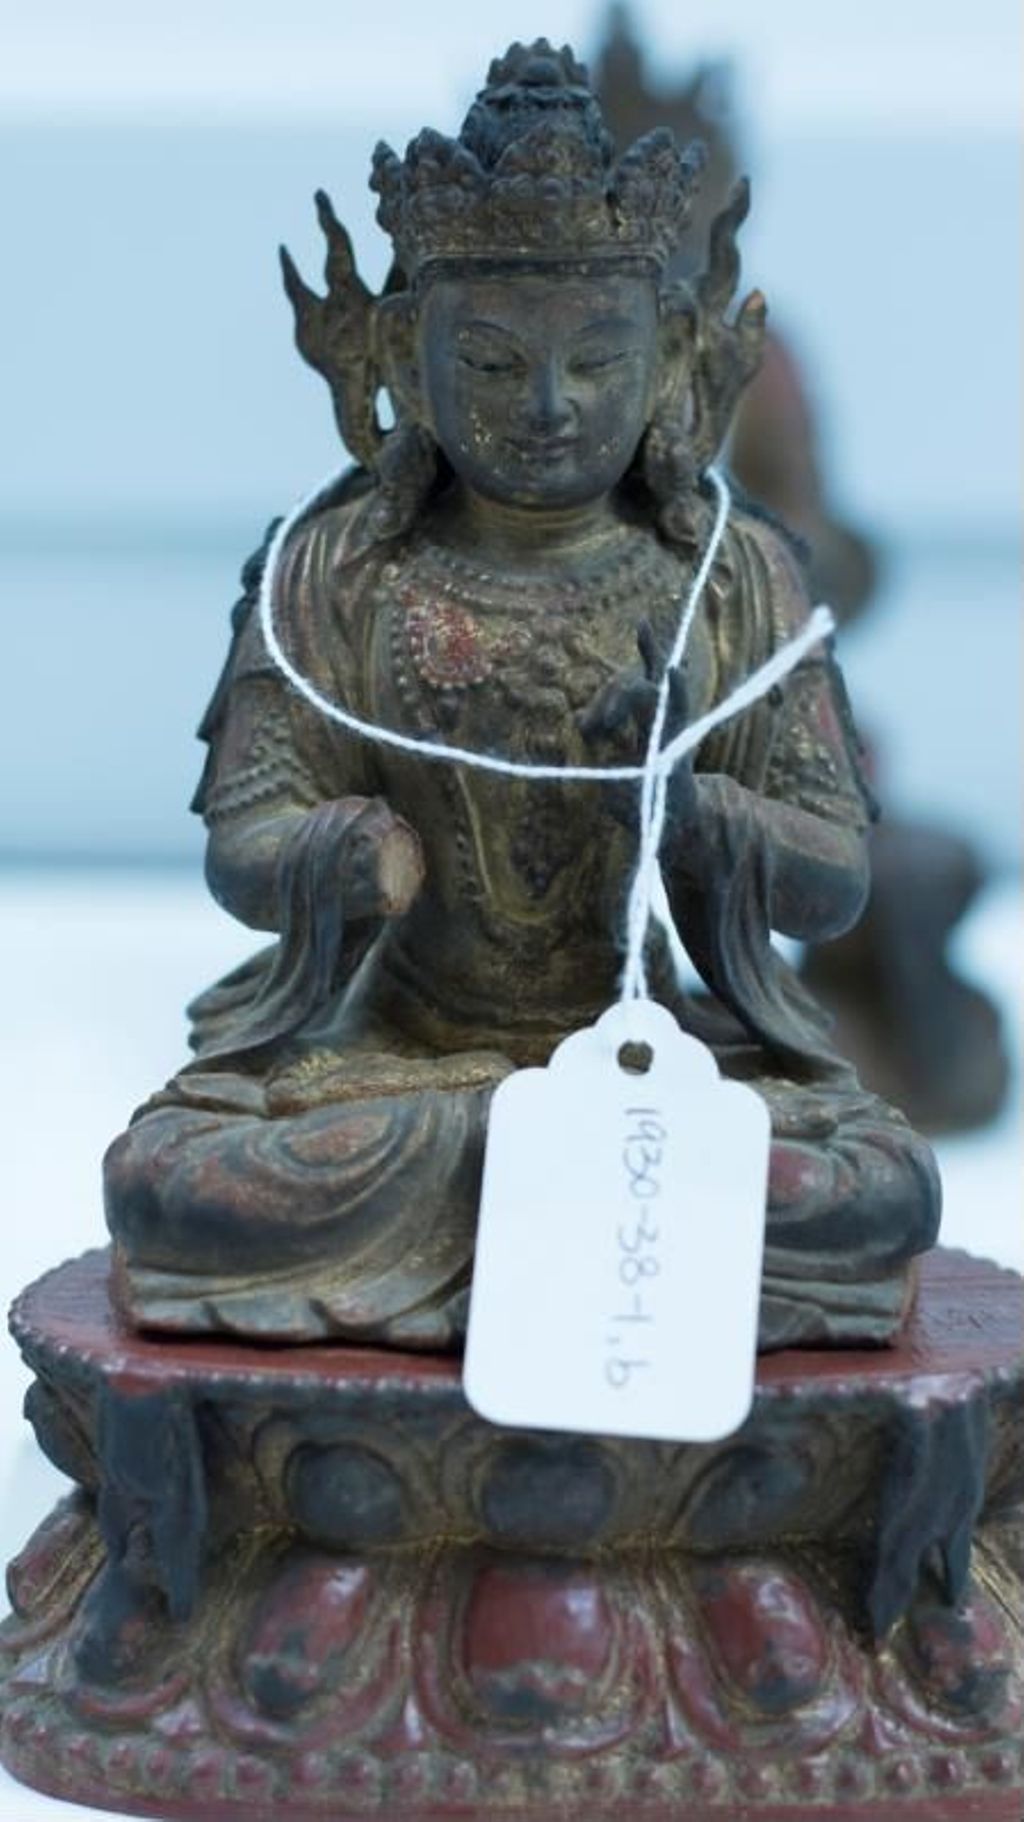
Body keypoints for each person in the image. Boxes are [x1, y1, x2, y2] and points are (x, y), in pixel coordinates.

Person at [104, 41, 939, 1351]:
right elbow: (244, 844)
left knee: (872, 1188)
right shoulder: (330, 567)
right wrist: (340, 849)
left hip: (651, 1056)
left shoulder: (735, 574)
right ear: (401, 348)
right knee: (177, 1184)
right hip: (399, 1063)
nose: (548, 405)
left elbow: (830, 871)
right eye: (491, 367)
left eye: (595, 363)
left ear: (671, 357)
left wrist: (707, 816)